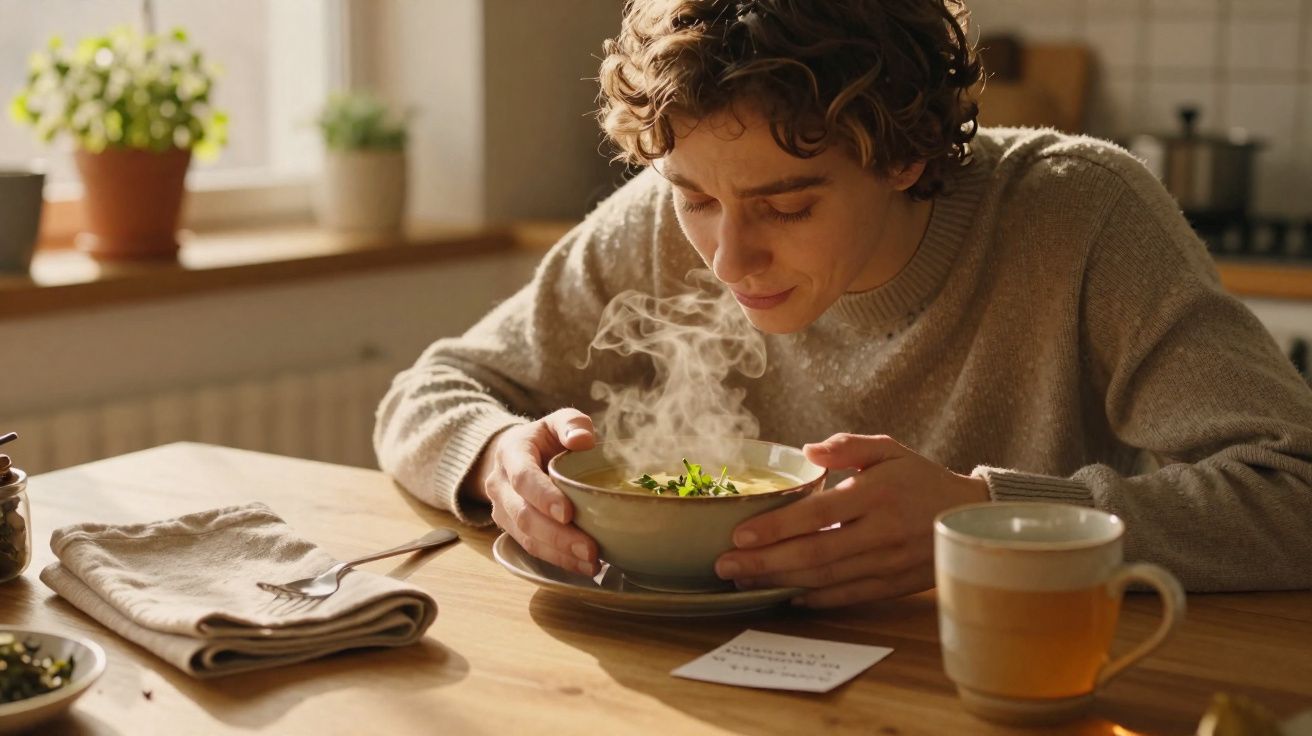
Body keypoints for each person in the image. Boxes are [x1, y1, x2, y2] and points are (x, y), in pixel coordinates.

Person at [374, 0, 1312, 607]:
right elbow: (429, 392)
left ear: (907, 156)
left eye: (788, 204)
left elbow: (1295, 489)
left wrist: (987, 514)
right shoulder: (657, 225)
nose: (728, 256)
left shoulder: (1080, 214)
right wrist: (496, 457)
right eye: (695, 196)